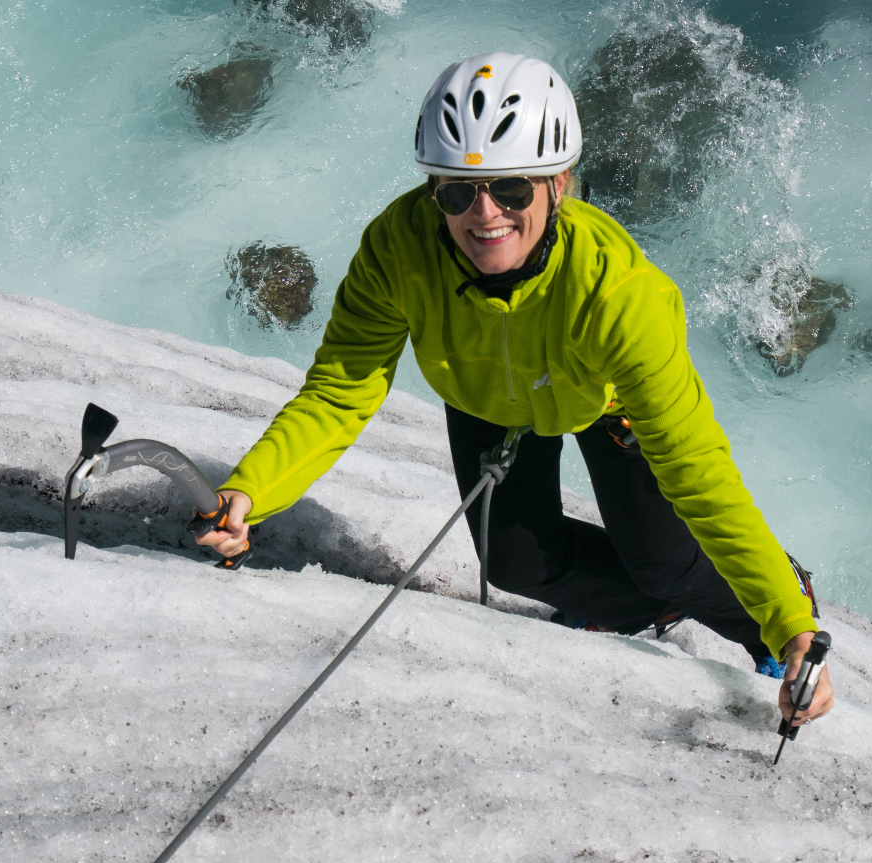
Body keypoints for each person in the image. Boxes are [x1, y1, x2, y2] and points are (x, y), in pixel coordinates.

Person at [197, 52, 833, 730]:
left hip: (600, 400)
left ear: (559, 185)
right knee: (517, 566)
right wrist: (251, 492)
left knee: (668, 565)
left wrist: (788, 624)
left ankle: (765, 609)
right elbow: (341, 390)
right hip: (485, 399)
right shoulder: (397, 250)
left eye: (512, 190)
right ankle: (644, 608)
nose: (485, 214)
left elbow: (696, 469)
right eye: (456, 192)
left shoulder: (619, 294)